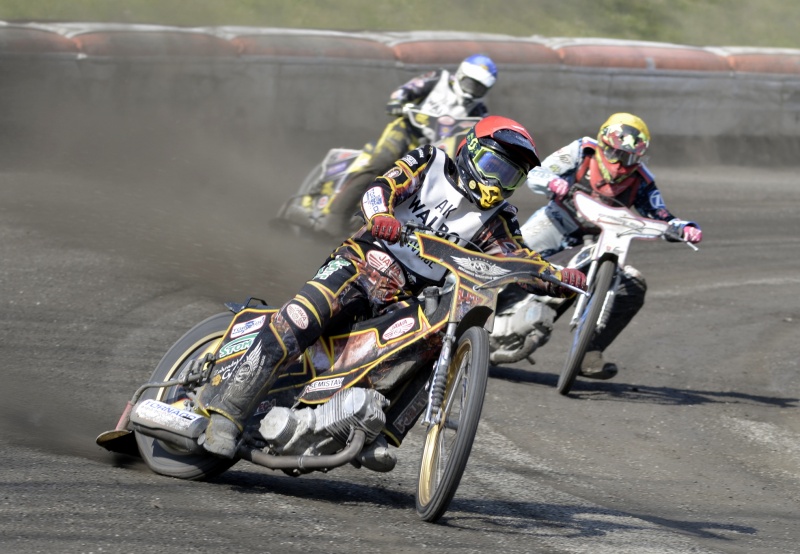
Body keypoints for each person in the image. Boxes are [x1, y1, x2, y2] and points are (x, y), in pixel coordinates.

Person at [198, 115, 586, 458]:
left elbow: (518, 259)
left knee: (433, 344)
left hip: (406, 297)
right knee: (301, 316)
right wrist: (381, 215)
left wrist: (557, 277)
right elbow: (381, 187)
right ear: (470, 150)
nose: (498, 182)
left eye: (511, 176)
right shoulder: (431, 162)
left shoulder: (499, 219)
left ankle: (376, 432)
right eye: (494, 166)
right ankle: (227, 414)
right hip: (359, 265)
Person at [518, 112, 703, 380]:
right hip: (556, 221)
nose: (618, 165)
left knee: (632, 287)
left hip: (597, 242)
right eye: (614, 153)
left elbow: (661, 214)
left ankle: (588, 351)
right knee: (510, 254)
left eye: (627, 158)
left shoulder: (642, 180)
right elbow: (537, 171)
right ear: (602, 144)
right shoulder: (582, 150)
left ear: (638, 158)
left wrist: (684, 228)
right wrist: (552, 181)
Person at [324, 54, 499, 223]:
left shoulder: (479, 112)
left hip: (435, 150)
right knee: (382, 161)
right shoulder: (439, 78)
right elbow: (408, 89)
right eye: (471, 84)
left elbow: (480, 137)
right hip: (408, 131)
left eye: (480, 88)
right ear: (460, 74)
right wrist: (398, 102)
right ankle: (335, 215)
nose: (473, 91)